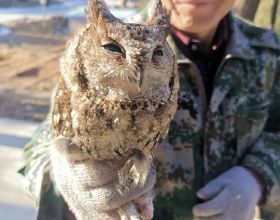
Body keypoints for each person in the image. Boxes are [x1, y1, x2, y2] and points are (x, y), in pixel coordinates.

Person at [20, 0, 280, 219]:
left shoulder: (272, 53)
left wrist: (258, 175)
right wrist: (63, 176)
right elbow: (39, 152)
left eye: (156, 55)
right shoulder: (101, 42)